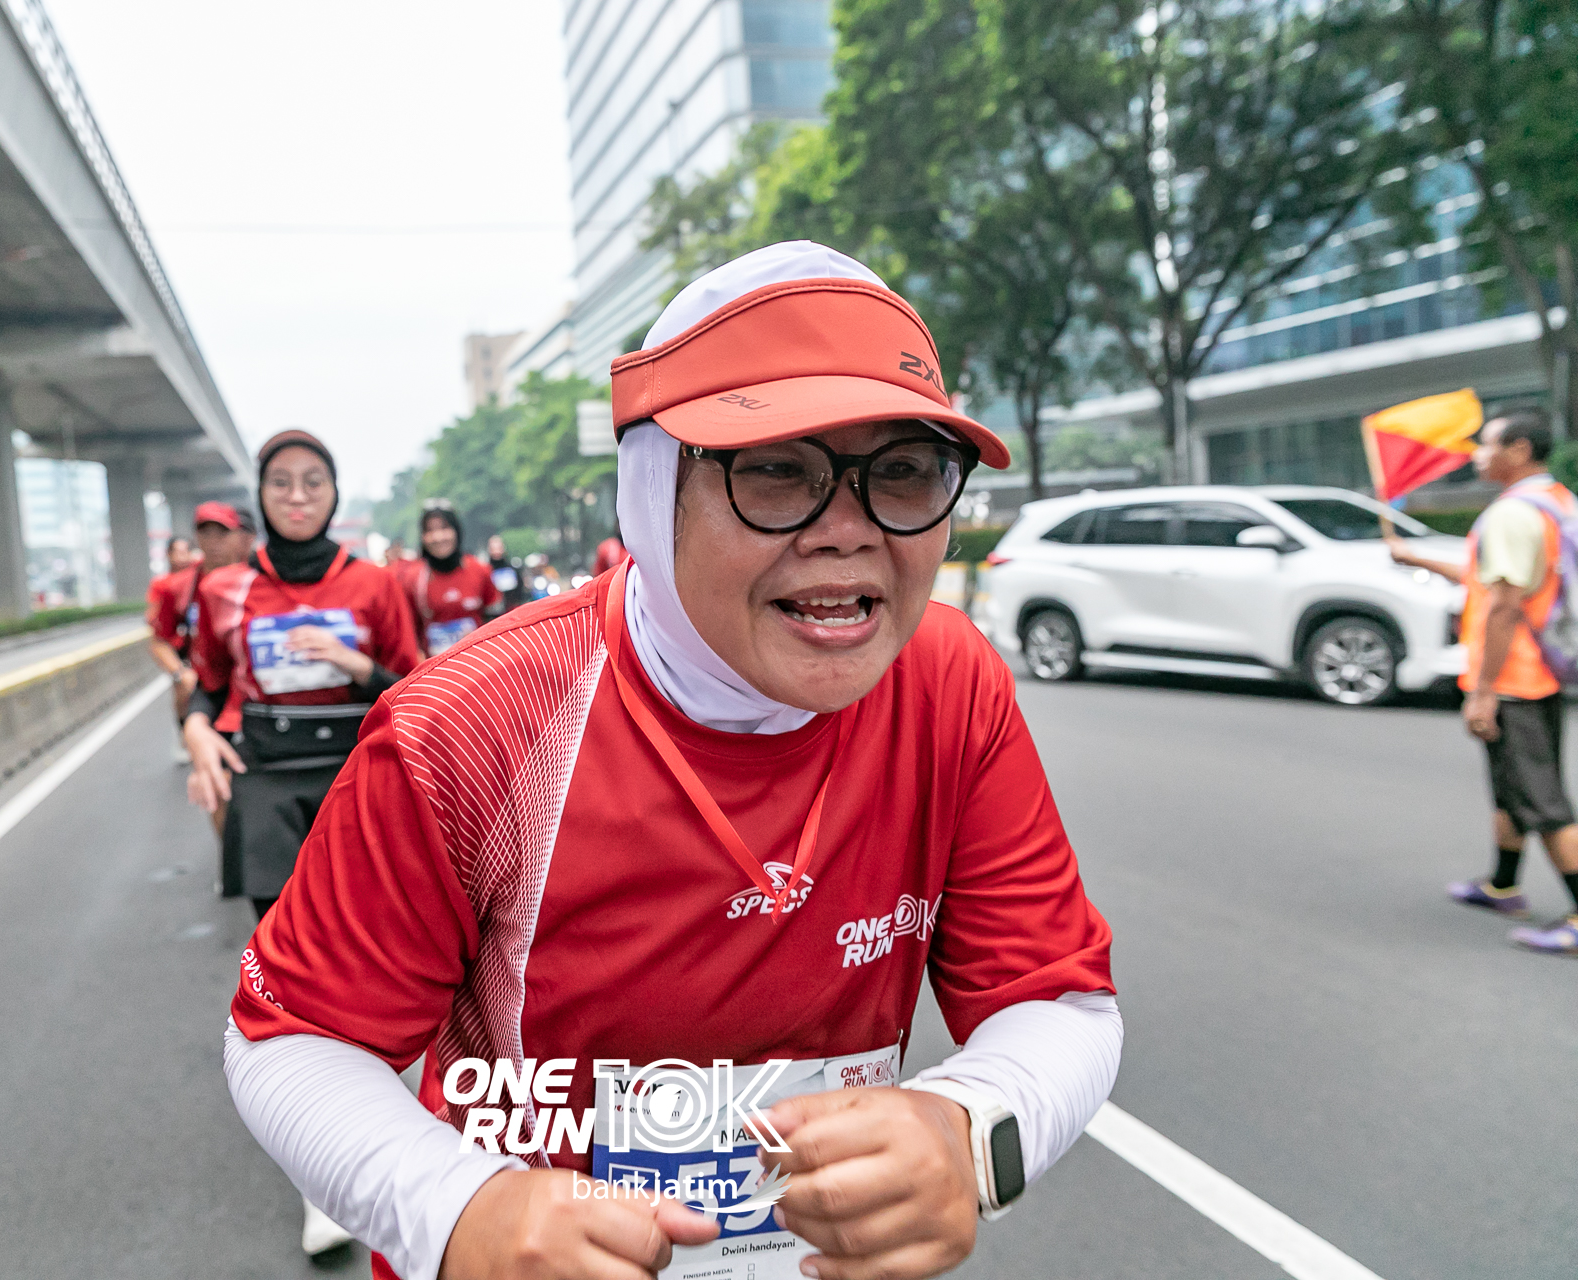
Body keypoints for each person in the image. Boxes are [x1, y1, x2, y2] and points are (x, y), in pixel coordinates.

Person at [224, 242, 1120, 1280]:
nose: (847, 532)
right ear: (654, 491)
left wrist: (971, 1125)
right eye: (777, 471)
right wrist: (458, 1209)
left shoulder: (951, 683)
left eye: (903, 472)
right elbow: (293, 1036)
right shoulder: (471, 726)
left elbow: (1058, 999)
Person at [182, 431, 421, 1258]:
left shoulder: (375, 583)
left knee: (383, 964)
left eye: (312, 481)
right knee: (296, 978)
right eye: (280, 482)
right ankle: (325, 1178)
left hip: (359, 774)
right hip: (268, 782)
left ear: (332, 492)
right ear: (260, 496)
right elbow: (206, 685)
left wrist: (353, 664)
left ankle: (391, 1128)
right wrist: (197, 734)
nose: (296, 496)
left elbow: (416, 684)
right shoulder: (224, 587)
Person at [1391, 405, 1578, 955]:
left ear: (1519, 450)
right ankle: (1502, 885)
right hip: (1544, 667)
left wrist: (1484, 691)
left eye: (1487, 444)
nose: (1477, 454)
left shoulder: (1512, 514)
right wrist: (1417, 559)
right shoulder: (1555, 500)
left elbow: (1503, 606)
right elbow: (1488, 580)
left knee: (1543, 802)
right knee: (1511, 787)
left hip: (1516, 677)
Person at [147, 505, 254, 763]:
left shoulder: (258, 579)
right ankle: (186, 734)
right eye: (206, 533)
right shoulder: (177, 587)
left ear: (239, 536)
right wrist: (180, 675)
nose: (214, 542)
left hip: (251, 683)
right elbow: (159, 639)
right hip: (206, 683)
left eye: (222, 533)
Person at [407, 502, 500, 656]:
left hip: (481, 662)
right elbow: (409, 633)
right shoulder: (413, 580)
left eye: (444, 528)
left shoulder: (480, 570)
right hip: (436, 666)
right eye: (430, 530)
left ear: (456, 531)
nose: (438, 537)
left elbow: (497, 619)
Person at [484, 534, 527, 618]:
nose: (496, 551)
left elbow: (519, 590)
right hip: (493, 614)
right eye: (493, 548)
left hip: (512, 611)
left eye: (498, 547)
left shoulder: (512, 569)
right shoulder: (485, 571)